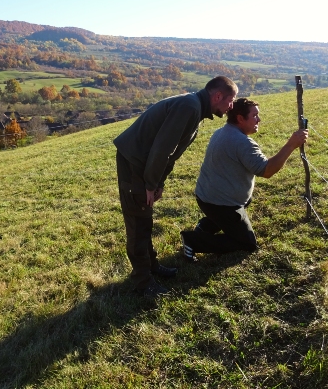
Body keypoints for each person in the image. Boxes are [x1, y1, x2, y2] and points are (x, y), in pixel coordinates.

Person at [114, 76, 238, 297]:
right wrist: (150, 184)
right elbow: (162, 150)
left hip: (145, 163)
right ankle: (143, 283)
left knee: (145, 216)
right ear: (217, 96)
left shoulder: (196, 109)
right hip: (134, 162)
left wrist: (158, 183)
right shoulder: (189, 107)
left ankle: (151, 266)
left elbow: (169, 154)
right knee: (138, 220)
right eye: (230, 100)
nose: (231, 107)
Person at [181, 98, 308, 261]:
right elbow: (267, 170)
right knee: (247, 243)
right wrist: (291, 145)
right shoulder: (241, 142)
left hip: (206, 196)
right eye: (255, 115)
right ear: (240, 118)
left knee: (243, 204)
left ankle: (206, 226)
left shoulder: (222, 131)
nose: (259, 120)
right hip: (221, 204)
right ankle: (193, 241)